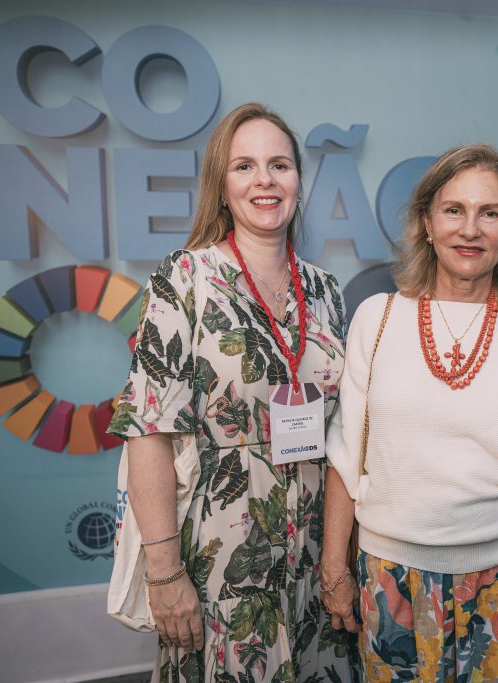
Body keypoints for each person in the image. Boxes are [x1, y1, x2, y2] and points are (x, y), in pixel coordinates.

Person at [108, 103, 355, 681]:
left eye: (280, 165)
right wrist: (165, 574)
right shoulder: (182, 280)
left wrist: (342, 560)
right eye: (244, 166)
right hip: (219, 558)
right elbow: (148, 431)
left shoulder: (326, 290)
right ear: (221, 187)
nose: (265, 180)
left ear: (298, 181)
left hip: (320, 556)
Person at [321, 144, 498, 681]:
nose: (471, 229)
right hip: (391, 578)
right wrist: (333, 571)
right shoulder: (376, 318)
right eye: (454, 210)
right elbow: (346, 461)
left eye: (490, 213)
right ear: (427, 223)